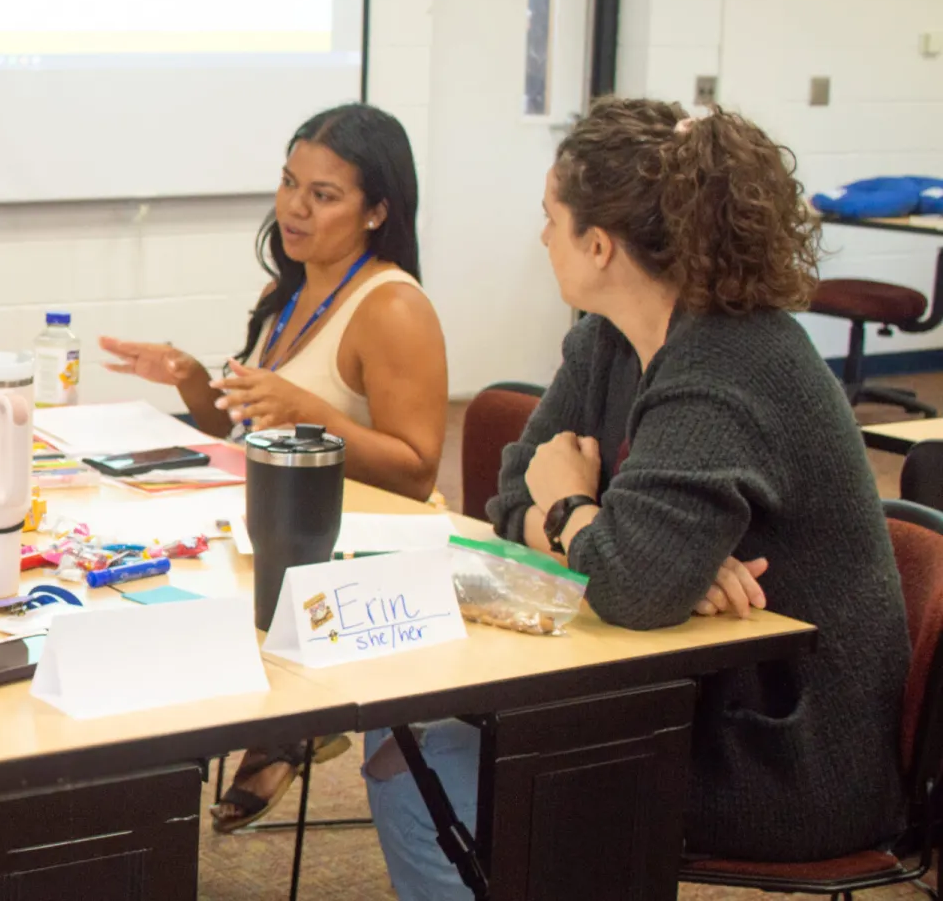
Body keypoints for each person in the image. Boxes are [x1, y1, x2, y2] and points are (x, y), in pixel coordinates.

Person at [368, 99, 908, 899]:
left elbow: (623, 581)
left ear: (598, 244)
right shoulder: (611, 335)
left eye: (549, 219)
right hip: (681, 687)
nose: (540, 237)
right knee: (402, 724)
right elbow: (512, 488)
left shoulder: (727, 366)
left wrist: (575, 513)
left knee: (415, 764)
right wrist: (617, 542)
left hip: (779, 758)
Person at [101, 103, 449, 831]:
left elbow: (417, 472)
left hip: (356, 542)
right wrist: (195, 378)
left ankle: (287, 722)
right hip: (273, 523)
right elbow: (241, 432)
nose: (294, 207)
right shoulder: (284, 291)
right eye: (290, 183)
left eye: (324, 195)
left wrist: (306, 413)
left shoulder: (392, 307)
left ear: (378, 210)